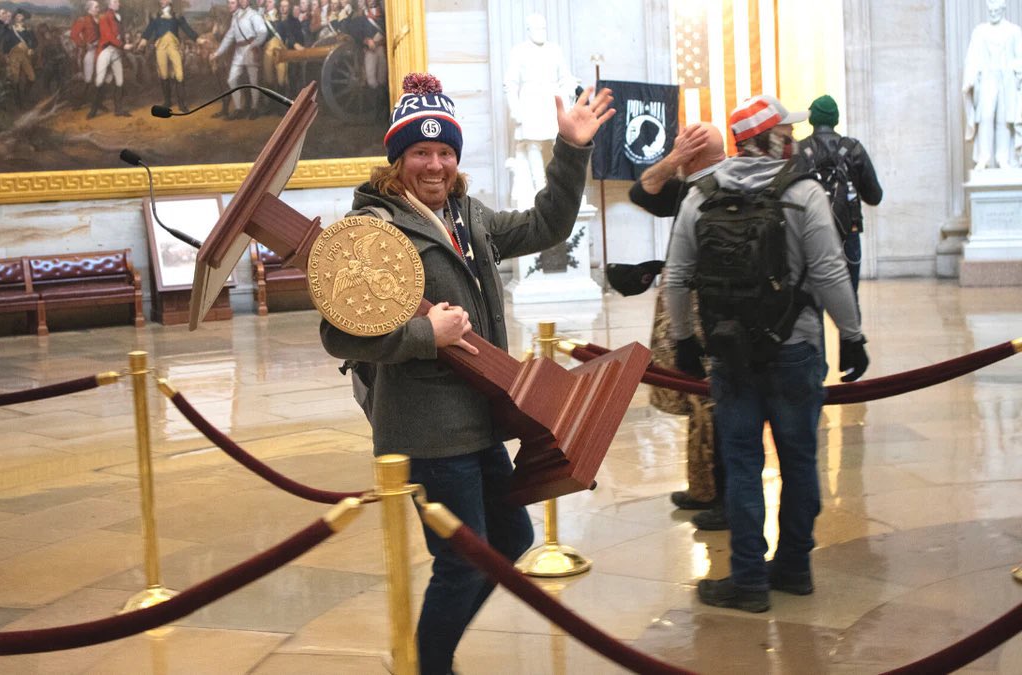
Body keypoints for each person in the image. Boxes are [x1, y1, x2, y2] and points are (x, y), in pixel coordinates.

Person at [319, 72, 614, 675]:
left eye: (445, 152)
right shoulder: (372, 233)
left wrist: (572, 149)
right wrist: (428, 334)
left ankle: (427, 655)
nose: (435, 164)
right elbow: (339, 334)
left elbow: (545, 226)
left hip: (478, 419)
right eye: (421, 152)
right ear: (397, 160)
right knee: (462, 559)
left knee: (508, 542)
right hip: (426, 428)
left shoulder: (466, 215)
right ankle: (427, 666)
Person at [663, 95, 869, 613]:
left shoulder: (700, 194)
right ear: (773, 139)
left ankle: (749, 579)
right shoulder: (804, 193)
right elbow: (828, 272)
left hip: (730, 353)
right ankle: (795, 567)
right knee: (800, 460)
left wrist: (686, 341)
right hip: (796, 348)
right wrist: (853, 334)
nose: (794, 139)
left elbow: (678, 277)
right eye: (788, 132)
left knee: (742, 462)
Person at [625, 122, 731, 531]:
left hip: (709, 312)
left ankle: (723, 496)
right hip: (687, 306)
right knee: (697, 401)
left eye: (681, 147)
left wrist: (676, 159)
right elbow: (642, 191)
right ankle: (703, 488)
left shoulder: (720, 185)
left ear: (694, 155)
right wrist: (675, 161)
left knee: (712, 403)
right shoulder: (690, 186)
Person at [797, 94, 883, 300]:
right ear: (835, 118)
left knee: (809, 305)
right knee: (849, 302)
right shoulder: (854, 149)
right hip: (848, 234)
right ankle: (850, 333)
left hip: (810, 236)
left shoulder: (799, 150)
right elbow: (875, 196)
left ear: (812, 119)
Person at [503, 14, 578, 207]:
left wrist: (569, 92)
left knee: (558, 142)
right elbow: (510, 83)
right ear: (528, 30)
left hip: (552, 100)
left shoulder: (555, 50)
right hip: (530, 101)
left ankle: (558, 183)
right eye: (536, 29)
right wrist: (515, 109)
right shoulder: (519, 51)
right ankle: (539, 186)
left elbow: (565, 77)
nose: (540, 33)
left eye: (543, 29)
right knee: (533, 144)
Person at [962, 0, 1022, 169]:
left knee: (1004, 120)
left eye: (996, 10)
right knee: (986, 117)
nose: (993, 13)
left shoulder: (1014, 31)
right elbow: (972, 57)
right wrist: (970, 78)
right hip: (987, 78)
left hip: (1007, 79)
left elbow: (1020, 56)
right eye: (991, 11)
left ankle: (1003, 158)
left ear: (1003, 9)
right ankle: (984, 157)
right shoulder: (980, 31)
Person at [137, 0, 205, 114]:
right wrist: (143, 41)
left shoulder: (177, 16)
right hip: (160, 47)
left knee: (179, 74)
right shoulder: (155, 17)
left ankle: (182, 104)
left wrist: (198, 39)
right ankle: (167, 101)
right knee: (163, 73)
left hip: (174, 46)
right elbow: (149, 30)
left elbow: (187, 28)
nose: (161, 1)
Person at [210, 0, 268, 119]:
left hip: (251, 49)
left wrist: (254, 45)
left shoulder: (254, 15)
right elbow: (229, 37)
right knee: (232, 80)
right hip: (239, 51)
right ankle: (238, 109)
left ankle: (254, 108)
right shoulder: (235, 17)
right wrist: (217, 53)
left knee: (253, 81)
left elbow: (263, 32)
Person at [89, 0, 133, 119]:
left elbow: (120, 34)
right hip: (106, 51)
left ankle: (118, 110)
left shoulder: (118, 17)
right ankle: (93, 110)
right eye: (115, 2)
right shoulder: (104, 17)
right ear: (109, 4)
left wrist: (125, 43)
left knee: (119, 80)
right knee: (99, 80)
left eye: (118, 2)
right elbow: (108, 36)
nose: (118, 3)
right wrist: (123, 45)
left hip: (117, 52)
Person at [69, 1, 101, 109]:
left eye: (98, 7)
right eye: (96, 7)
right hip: (91, 50)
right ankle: (81, 101)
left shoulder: (101, 20)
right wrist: (84, 44)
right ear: (89, 9)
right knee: (89, 77)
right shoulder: (83, 20)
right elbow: (74, 34)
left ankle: (98, 102)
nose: (98, 9)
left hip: (101, 50)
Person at [2, 9, 36, 106]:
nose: (18, 18)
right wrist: (6, 55)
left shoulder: (28, 30)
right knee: (15, 79)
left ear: (23, 18)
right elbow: (6, 43)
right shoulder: (10, 29)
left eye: (20, 16)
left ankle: (26, 95)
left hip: (25, 55)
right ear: (14, 18)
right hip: (14, 55)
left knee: (32, 77)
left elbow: (34, 41)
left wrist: (31, 48)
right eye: (17, 16)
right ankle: (18, 101)